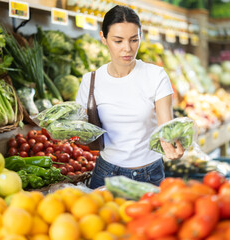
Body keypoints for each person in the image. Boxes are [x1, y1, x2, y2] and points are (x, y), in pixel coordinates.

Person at [75, 5, 184, 189]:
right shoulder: (91, 81)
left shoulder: (156, 76)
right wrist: (68, 130)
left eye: (134, 40)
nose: (127, 48)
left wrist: (172, 143)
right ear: (103, 38)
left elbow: (165, 126)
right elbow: (82, 133)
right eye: (118, 41)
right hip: (106, 174)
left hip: (149, 175)